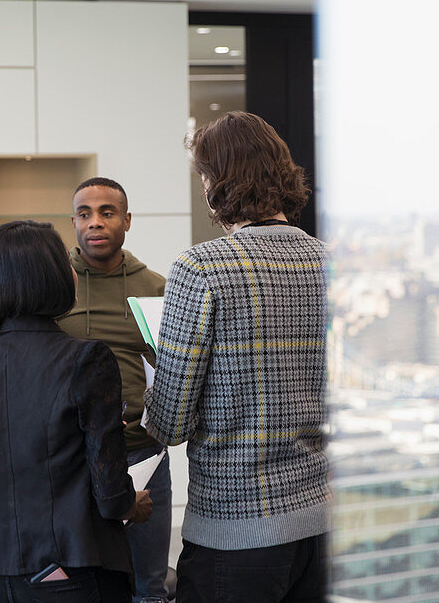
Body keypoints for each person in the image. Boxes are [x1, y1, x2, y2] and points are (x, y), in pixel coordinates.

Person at [143, 112, 329, 603]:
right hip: (322, 523)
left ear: (217, 182)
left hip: (235, 530)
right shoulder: (333, 264)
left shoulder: (201, 268)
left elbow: (170, 423)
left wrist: (152, 384)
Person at [0, 220, 153, 602]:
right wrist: (134, 503)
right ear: (50, 276)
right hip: (74, 565)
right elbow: (110, 491)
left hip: (0, 571)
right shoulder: (86, 358)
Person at [57, 177, 171, 603]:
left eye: (106, 213)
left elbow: (175, 371)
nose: (95, 223)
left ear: (127, 220)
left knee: (149, 589)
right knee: (82, 587)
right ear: (73, 222)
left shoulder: (157, 287)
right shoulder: (56, 284)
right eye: (84, 215)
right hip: (74, 456)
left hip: (143, 452)